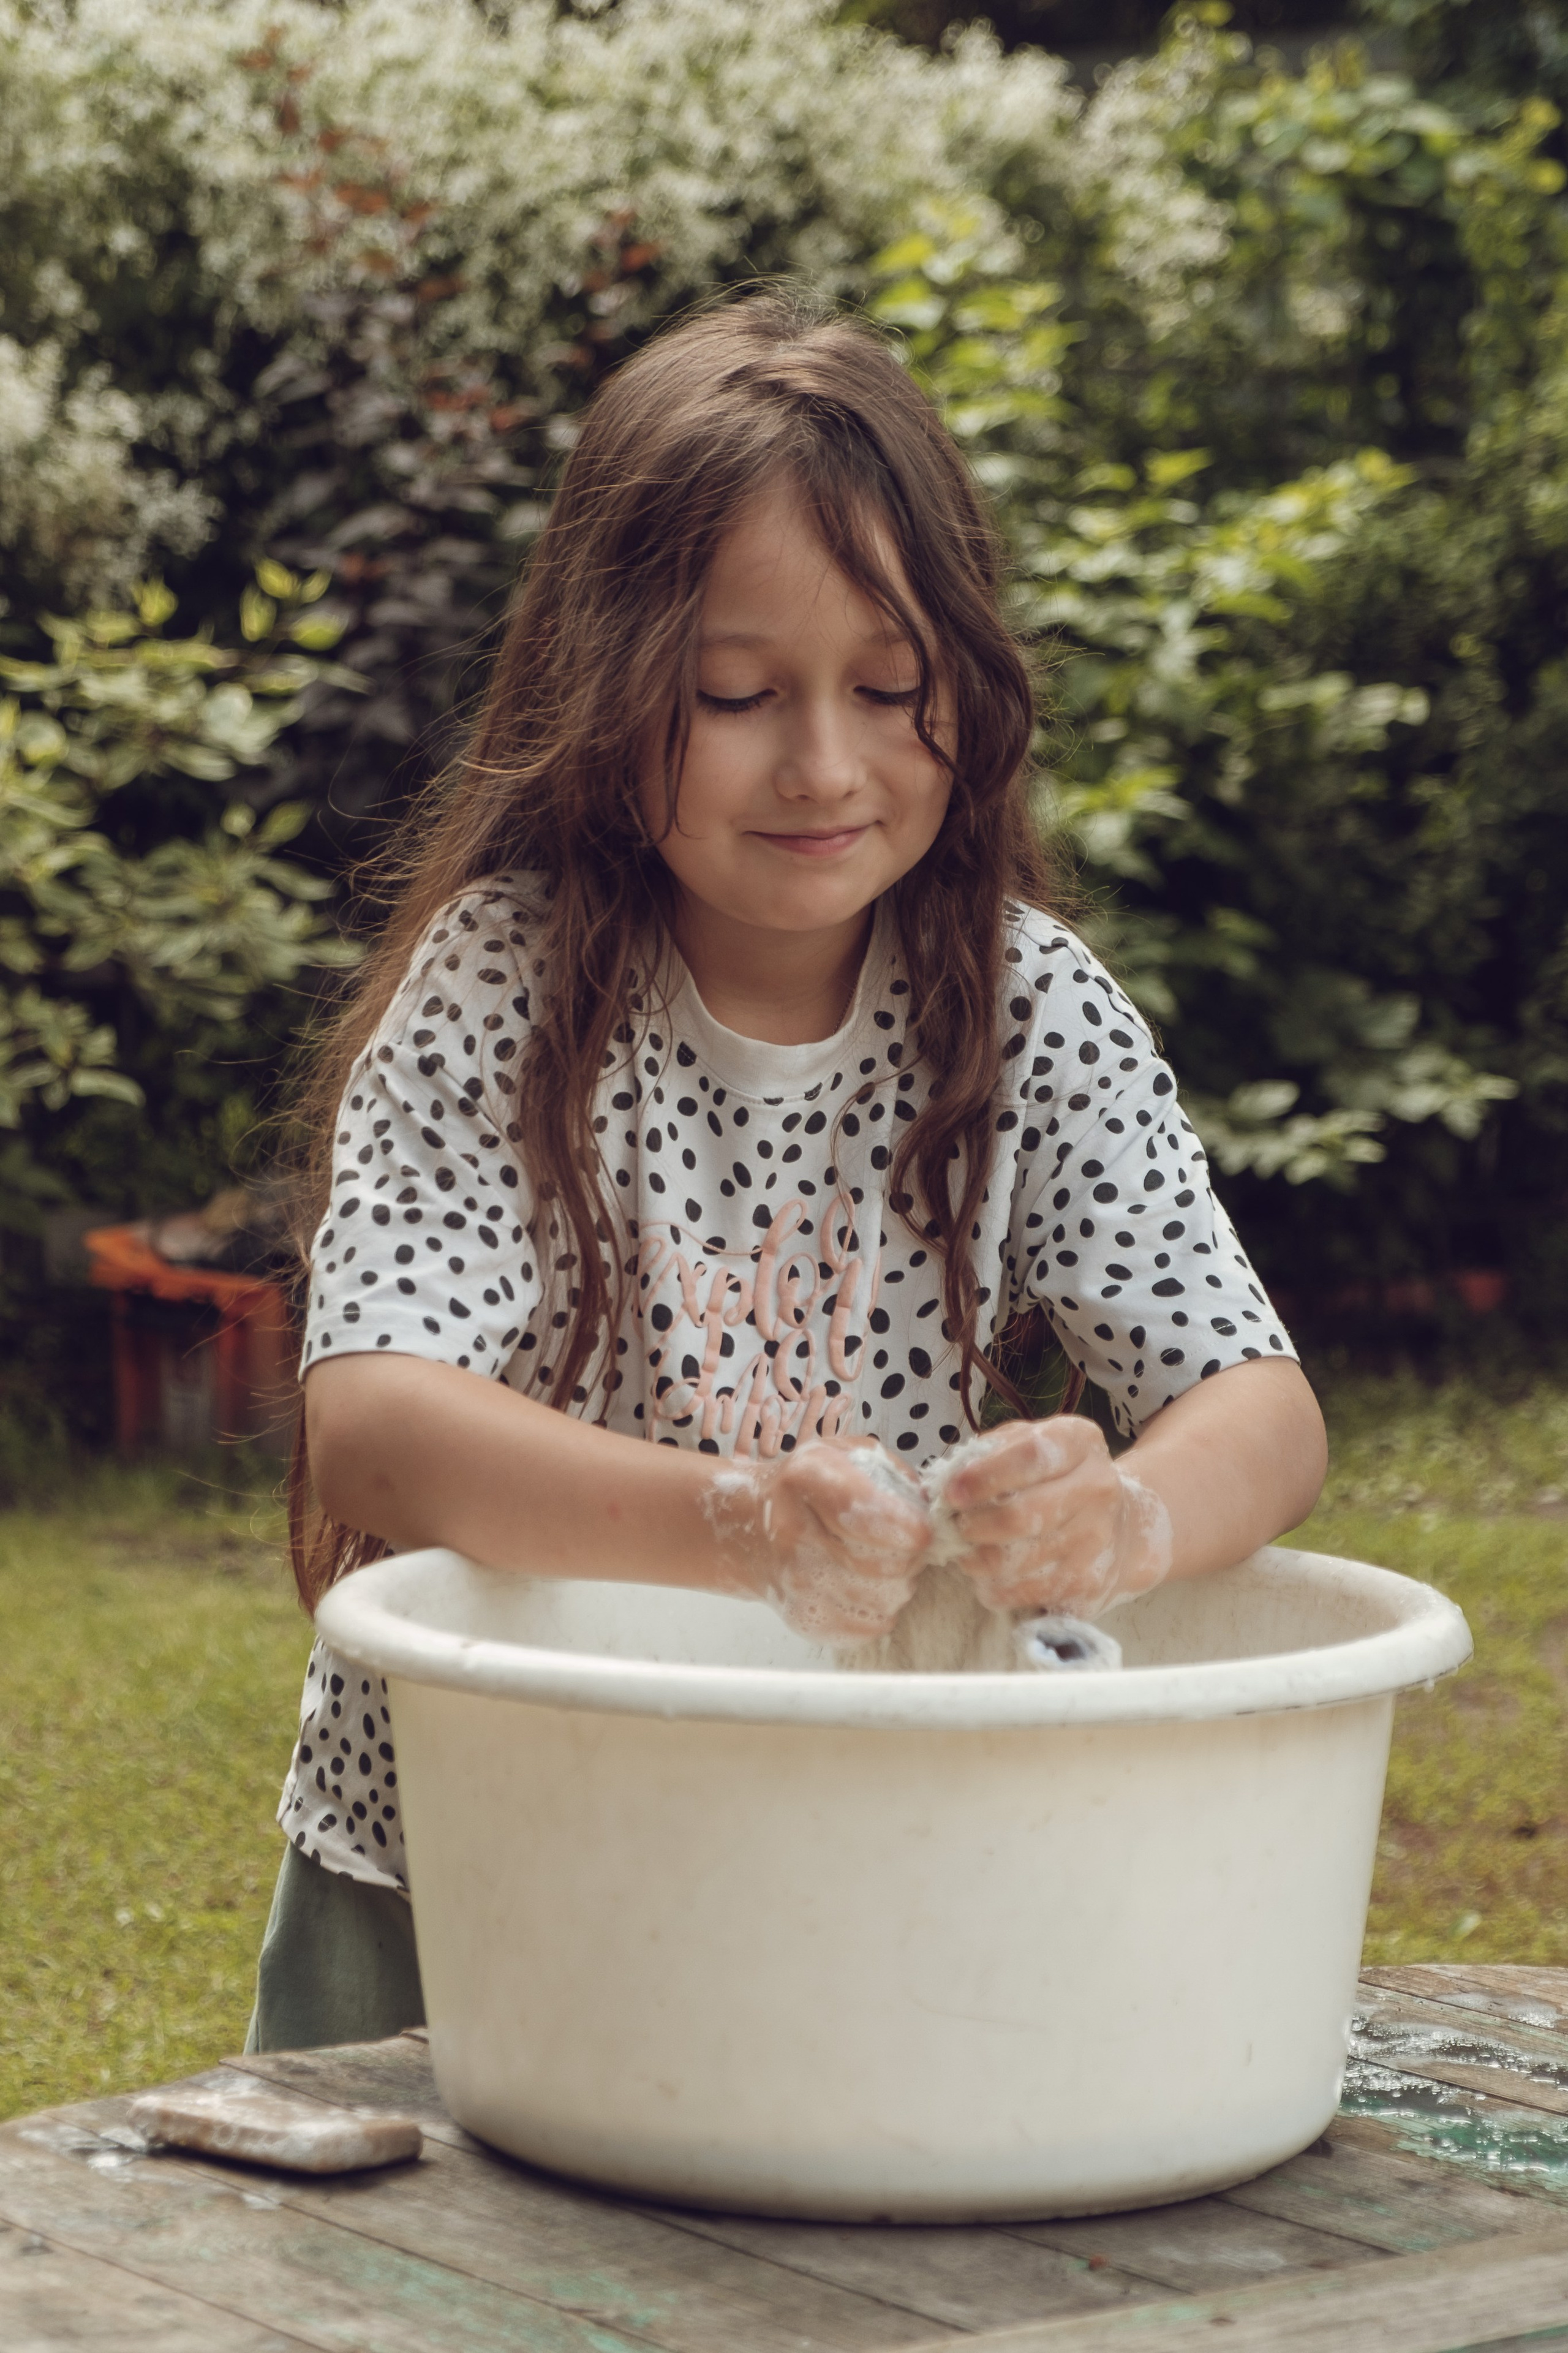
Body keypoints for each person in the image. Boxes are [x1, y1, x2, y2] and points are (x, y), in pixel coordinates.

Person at [247, 292, 1327, 2052]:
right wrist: (738, 1523)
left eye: (890, 688)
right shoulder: (504, 992)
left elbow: (1260, 1408)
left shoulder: (1027, 1005)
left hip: (849, 1851)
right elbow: (372, 1417)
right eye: (737, 695)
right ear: (607, 694)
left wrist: (1122, 1512)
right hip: (462, 1858)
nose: (824, 762)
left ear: (963, 686)